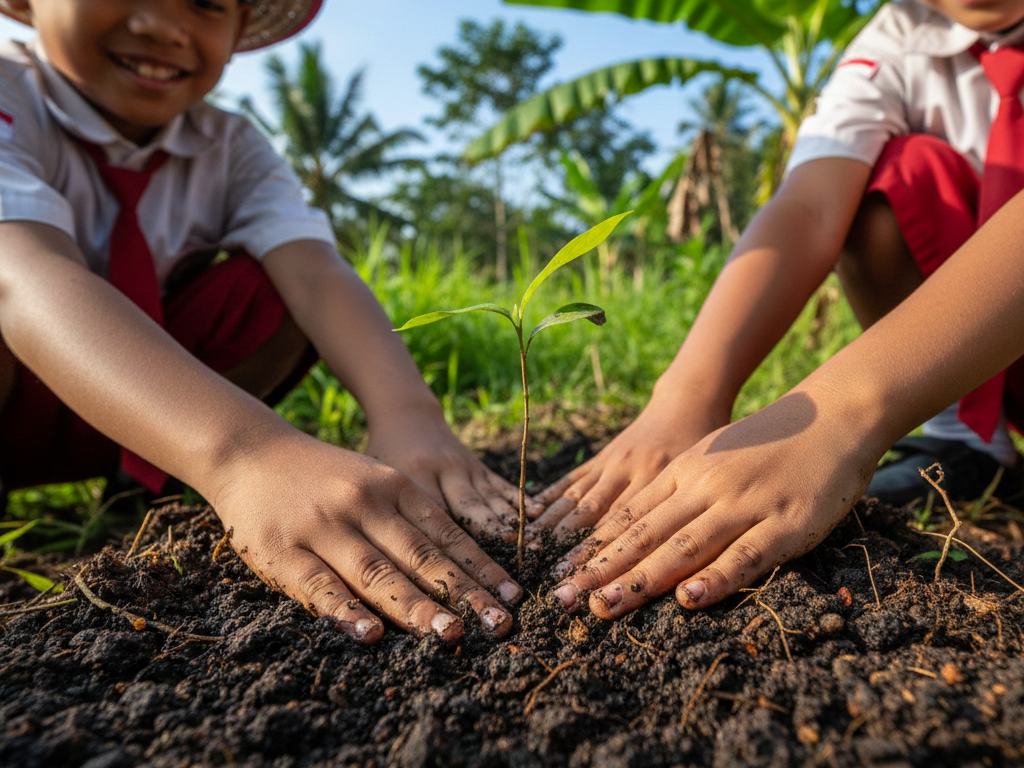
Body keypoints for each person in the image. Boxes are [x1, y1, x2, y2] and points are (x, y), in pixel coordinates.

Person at [0, 0, 527, 644]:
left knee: (270, 290)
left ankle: (141, 483)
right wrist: (250, 456)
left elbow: (314, 272)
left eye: (206, 3)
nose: (165, 26)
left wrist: (409, 415)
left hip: (130, 417)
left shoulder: (230, 145)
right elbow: (21, 277)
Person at [536, 0, 1024, 619]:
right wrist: (687, 398)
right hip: (982, 354)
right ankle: (967, 445)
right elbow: (813, 207)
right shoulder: (901, 37)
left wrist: (843, 412)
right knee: (895, 176)